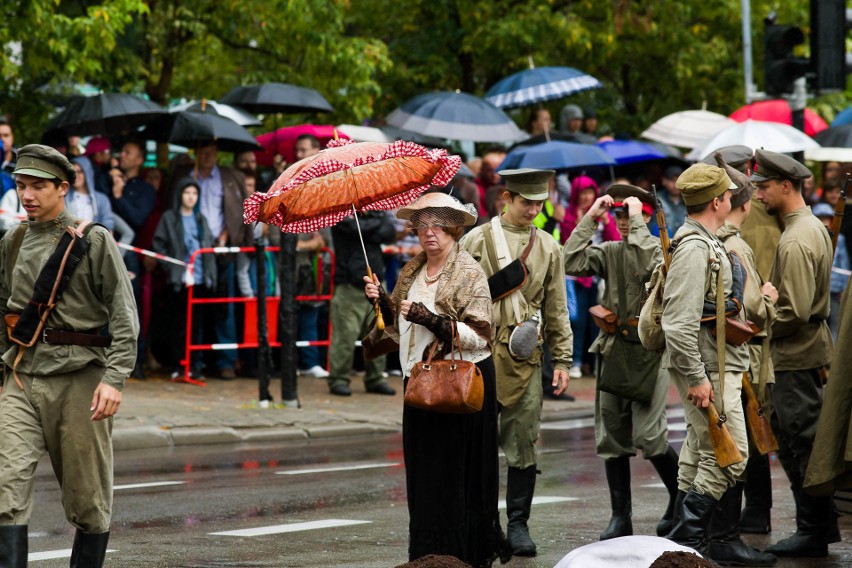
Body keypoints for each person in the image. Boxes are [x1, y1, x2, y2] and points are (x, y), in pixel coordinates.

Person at [0, 144, 138, 566]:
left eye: (39, 186)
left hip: (80, 380)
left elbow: (124, 316)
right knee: (5, 487)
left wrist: (114, 379)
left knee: (87, 499)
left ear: (63, 188)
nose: (28, 195)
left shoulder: (93, 240)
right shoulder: (14, 239)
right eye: (22, 185)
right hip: (22, 378)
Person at [362, 192, 508, 567]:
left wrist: (431, 319)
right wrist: (381, 301)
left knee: (460, 477)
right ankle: (429, 556)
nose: (429, 233)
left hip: (463, 386)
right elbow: (396, 324)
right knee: (426, 477)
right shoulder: (411, 270)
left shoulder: (469, 271)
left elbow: (480, 335)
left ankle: (464, 555)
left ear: (453, 230)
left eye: (438, 225)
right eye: (422, 225)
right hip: (421, 382)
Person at [460, 168, 572, 557]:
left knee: (523, 443)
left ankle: (518, 525)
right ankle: (481, 524)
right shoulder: (477, 239)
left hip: (525, 359)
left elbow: (558, 308)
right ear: (506, 198)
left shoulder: (549, 247)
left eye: (540, 204)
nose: (534, 211)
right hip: (480, 354)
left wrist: (563, 360)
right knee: (477, 446)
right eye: (526, 203)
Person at [563, 185, 680, 541]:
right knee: (612, 435)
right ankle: (620, 516)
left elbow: (650, 259)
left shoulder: (663, 249)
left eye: (632, 215)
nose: (625, 222)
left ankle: (680, 500)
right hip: (614, 348)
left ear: (648, 217)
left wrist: (639, 222)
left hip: (650, 351)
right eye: (620, 216)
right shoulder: (610, 251)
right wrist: (591, 217)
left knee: (650, 435)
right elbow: (569, 260)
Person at [753, 150, 838, 558]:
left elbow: (794, 311)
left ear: (786, 186)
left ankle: (813, 530)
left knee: (799, 443)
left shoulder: (796, 238)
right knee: (801, 441)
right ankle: (818, 528)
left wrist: (757, 317)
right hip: (804, 353)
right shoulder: (809, 227)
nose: (759, 195)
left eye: (764, 186)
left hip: (795, 355)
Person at [661, 163, 749, 555]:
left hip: (716, 362)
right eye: (728, 193)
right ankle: (686, 542)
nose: (732, 198)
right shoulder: (695, 248)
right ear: (717, 201)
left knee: (700, 451)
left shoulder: (704, 241)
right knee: (731, 455)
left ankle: (684, 546)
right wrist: (697, 377)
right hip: (707, 366)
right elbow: (678, 325)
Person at [710, 159, 778, 566]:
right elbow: (749, 308)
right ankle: (723, 536)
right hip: (740, 356)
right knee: (738, 444)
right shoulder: (735, 244)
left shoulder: (713, 237)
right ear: (747, 202)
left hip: (722, 357)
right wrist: (767, 295)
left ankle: (716, 533)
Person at [171, 141, 253, 379]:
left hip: (221, 249)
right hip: (192, 252)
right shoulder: (185, 175)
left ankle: (226, 361)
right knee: (191, 309)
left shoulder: (231, 176)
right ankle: (192, 360)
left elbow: (239, 211)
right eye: (202, 151)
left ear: (218, 153)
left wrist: (226, 237)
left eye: (211, 151)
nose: (206, 155)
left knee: (223, 307)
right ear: (196, 152)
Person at [327, 210, 397, 396]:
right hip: (349, 284)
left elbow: (390, 232)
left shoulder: (376, 214)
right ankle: (339, 378)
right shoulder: (338, 213)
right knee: (345, 336)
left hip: (376, 283)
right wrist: (375, 224)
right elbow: (352, 229)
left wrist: (369, 225)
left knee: (379, 332)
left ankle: (376, 378)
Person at [152, 177, 217, 379]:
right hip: (179, 280)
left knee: (197, 324)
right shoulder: (169, 218)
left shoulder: (201, 219)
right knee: (178, 324)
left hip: (199, 279)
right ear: (180, 195)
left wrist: (210, 274)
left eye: (195, 193)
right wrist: (171, 266)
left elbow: (208, 247)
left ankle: (195, 365)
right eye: (187, 193)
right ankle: (179, 364)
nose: (191, 197)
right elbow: (159, 245)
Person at [560, 175, 620, 379]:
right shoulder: (569, 215)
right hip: (575, 277)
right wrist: (578, 222)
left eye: (590, 192)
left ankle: (594, 362)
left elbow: (615, 240)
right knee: (577, 321)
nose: (586, 197)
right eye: (583, 193)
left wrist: (606, 220)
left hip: (598, 276)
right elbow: (567, 245)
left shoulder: (605, 215)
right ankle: (575, 361)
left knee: (599, 318)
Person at [813, 202, 849, 340]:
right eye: (820, 217)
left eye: (826, 218)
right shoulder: (813, 238)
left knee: (835, 324)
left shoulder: (840, 239)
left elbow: (843, 263)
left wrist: (843, 288)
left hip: (834, 289)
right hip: (817, 289)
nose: (824, 221)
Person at [657, 166, 686, 235]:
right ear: (664, 181)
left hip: (683, 242)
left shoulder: (688, 200)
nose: (676, 184)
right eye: (673, 180)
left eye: (679, 181)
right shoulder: (656, 199)